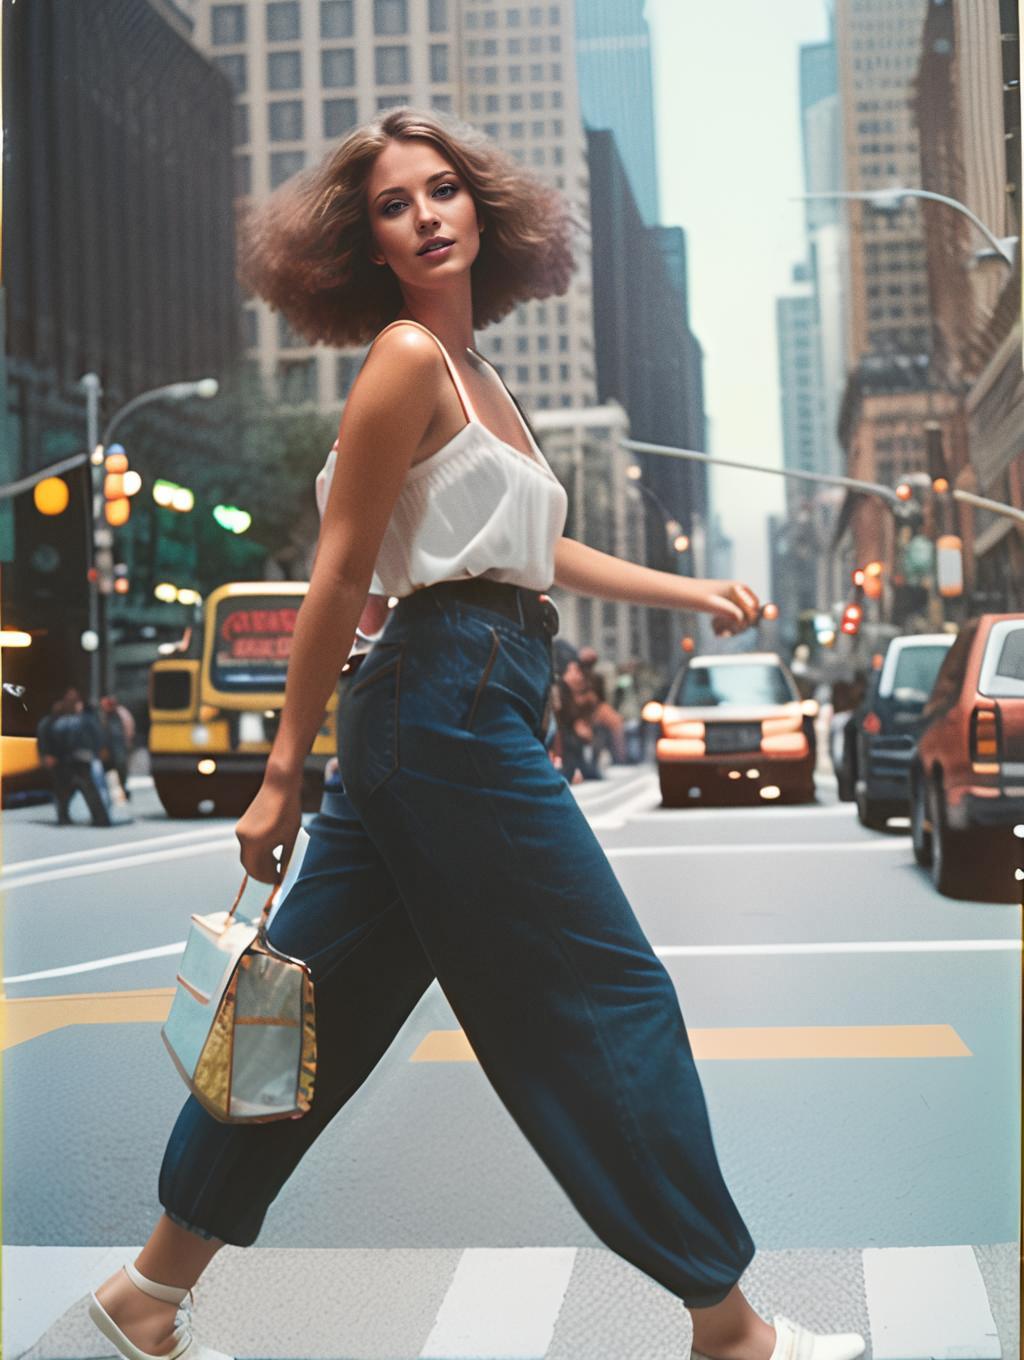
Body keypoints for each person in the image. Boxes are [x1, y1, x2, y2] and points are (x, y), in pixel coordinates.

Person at [90, 109, 864, 1360]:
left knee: (303, 1018)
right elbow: (340, 573)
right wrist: (280, 771)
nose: (426, 216)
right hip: (439, 700)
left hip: (462, 699)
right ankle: (729, 1327)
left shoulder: (480, 378)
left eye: (442, 189)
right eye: (393, 205)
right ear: (367, 245)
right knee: (606, 993)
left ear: (484, 208)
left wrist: (693, 593)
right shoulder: (404, 358)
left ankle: (143, 1297)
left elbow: (534, 549)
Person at [36, 688, 113, 827]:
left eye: (75, 700)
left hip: (81, 759)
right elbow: (45, 736)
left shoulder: (85, 719)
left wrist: (100, 749)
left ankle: (100, 818)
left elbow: (96, 734)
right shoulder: (53, 721)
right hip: (62, 761)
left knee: (88, 790)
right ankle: (63, 817)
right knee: (63, 791)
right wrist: (47, 754)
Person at [578, 644, 627, 764]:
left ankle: (620, 756)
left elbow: (602, 698)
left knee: (616, 721)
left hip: (597, 708)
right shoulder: (577, 677)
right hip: (580, 709)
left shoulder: (597, 678)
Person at [99, 694, 132, 802]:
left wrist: (127, 743)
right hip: (107, 748)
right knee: (107, 772)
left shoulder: (121, 713)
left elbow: (128, 727)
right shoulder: (102, 716)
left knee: (121, 769)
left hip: (119, 747)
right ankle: (110, 794)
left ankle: (123, 791)